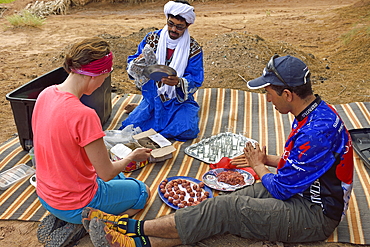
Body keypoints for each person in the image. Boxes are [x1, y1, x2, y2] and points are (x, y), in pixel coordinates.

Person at [81, 55, 354, 247]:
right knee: (218, 206)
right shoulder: (314, 112)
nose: (267, 98)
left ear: (287, 94)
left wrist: (259, 165)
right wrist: (265, 160)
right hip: (301, 191)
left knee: (229, 209)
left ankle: (130, 229)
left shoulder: (315, 132)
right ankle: (139, 244)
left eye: (269, 92)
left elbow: (283, 189)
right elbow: (304, 166)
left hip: (314, 214)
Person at [31, 37, 152, 247]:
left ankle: (69, 218)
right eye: (105, 77)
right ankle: (100, 224)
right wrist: (132, 156)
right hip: (76, 203)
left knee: (119, 176)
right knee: (141, 191)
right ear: (97, 75)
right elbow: (105, 173)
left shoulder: (45, 95)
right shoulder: (84, 115)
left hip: (45, 195)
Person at [119, 0, 204, 142]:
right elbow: (131, 65)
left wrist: (179, 82)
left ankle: (146, 109)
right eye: (170, 24)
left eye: (179, 27)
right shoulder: (152, 39)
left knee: (188, 129)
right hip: (153, 98)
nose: (173, 30)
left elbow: (196, 79)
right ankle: (142, 106)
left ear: (187, 25)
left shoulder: (194, 49)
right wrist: (138, 62)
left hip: (179, 101)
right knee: (130, 127)